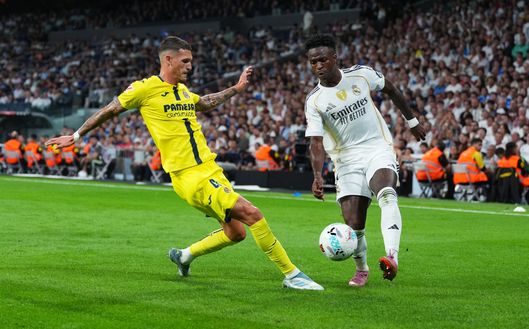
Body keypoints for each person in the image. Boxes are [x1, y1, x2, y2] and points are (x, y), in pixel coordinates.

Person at [46, 36, 323, 290]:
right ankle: (292, 275)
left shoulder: (182, 92)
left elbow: (204, 102)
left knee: (236, 232)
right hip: (190, 176)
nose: (190, 66)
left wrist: (236, 89)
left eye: (191, 61)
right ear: (168, 60)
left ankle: (184, 255)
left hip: (209, 169)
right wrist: (77, 134)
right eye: (185, 61)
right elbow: (111, 109)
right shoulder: (145, 89)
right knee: (253, 214)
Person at [303, 35, 426, 287]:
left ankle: (392, 256)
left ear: (335, 57)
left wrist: (411, 121)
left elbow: (391, 88)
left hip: (376, 148)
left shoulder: (361, 74)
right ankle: (362, 269)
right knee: (354, 223)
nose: (318, 65)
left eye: (323, 59)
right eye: (313, 62)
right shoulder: (314, 101)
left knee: (387, 193)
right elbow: (315, 142)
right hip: (345, 160)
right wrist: (317, 175)